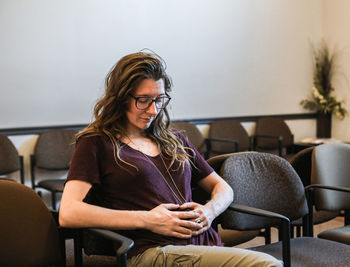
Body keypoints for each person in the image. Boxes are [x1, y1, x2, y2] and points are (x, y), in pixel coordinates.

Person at [59, 51, 282, 267]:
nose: (153, 109)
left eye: (159, 99)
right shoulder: (96, 142)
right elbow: (69, 212)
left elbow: (223, 188)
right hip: (152, 251)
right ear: (121, 98)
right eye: (143, 100)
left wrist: (210, 211)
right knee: (266, 265)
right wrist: (147, 219)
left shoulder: (174, 139)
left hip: (204, 244)